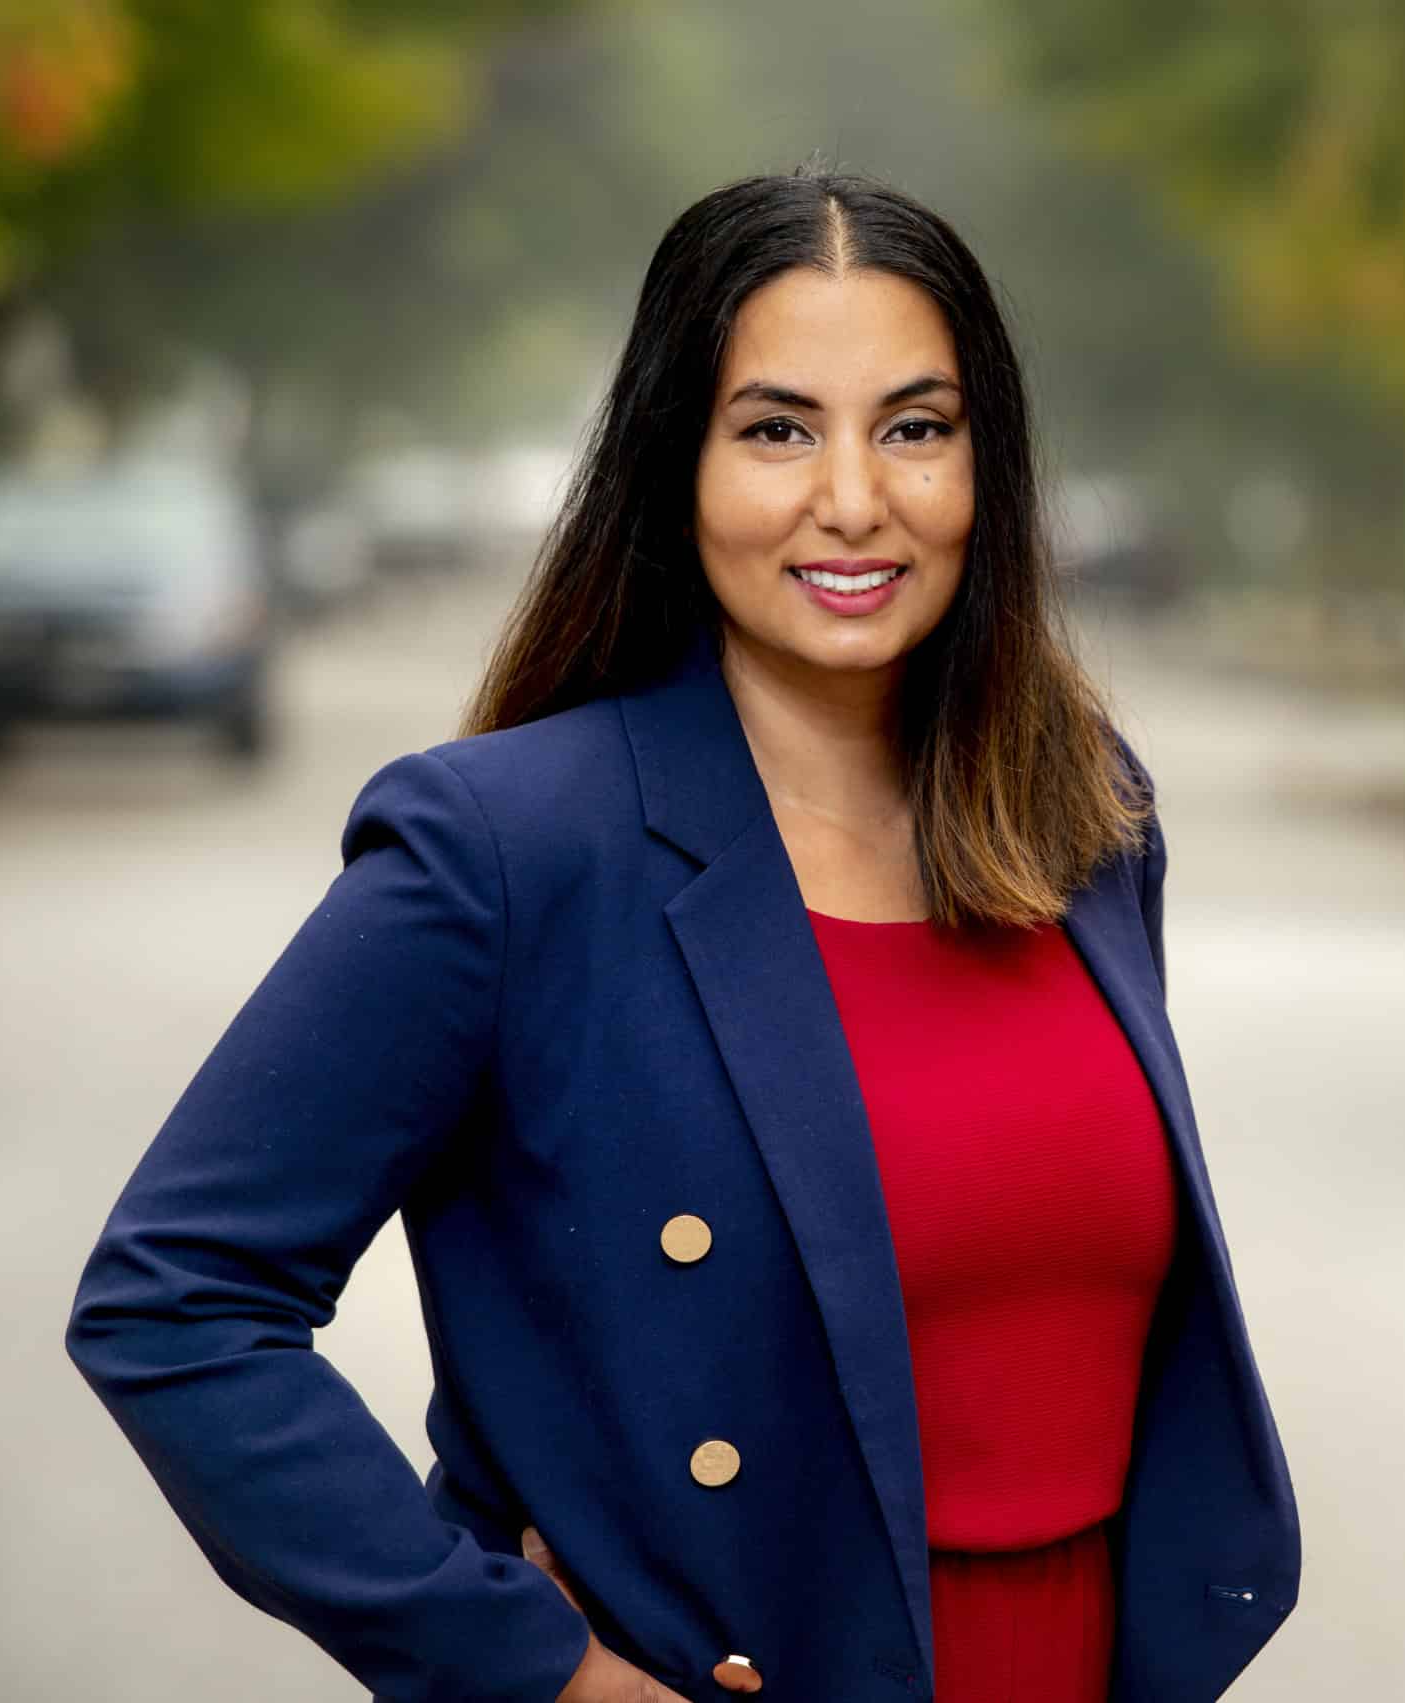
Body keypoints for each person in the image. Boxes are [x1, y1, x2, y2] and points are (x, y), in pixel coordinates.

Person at [63, 165, 1300, 1703]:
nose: (853, 498)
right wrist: (530, 1670)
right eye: (777, 428)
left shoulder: (1082, 814)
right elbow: (178, 1300)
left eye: (916, 427)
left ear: (992, 469)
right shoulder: (507, 849)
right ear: (676, 465)